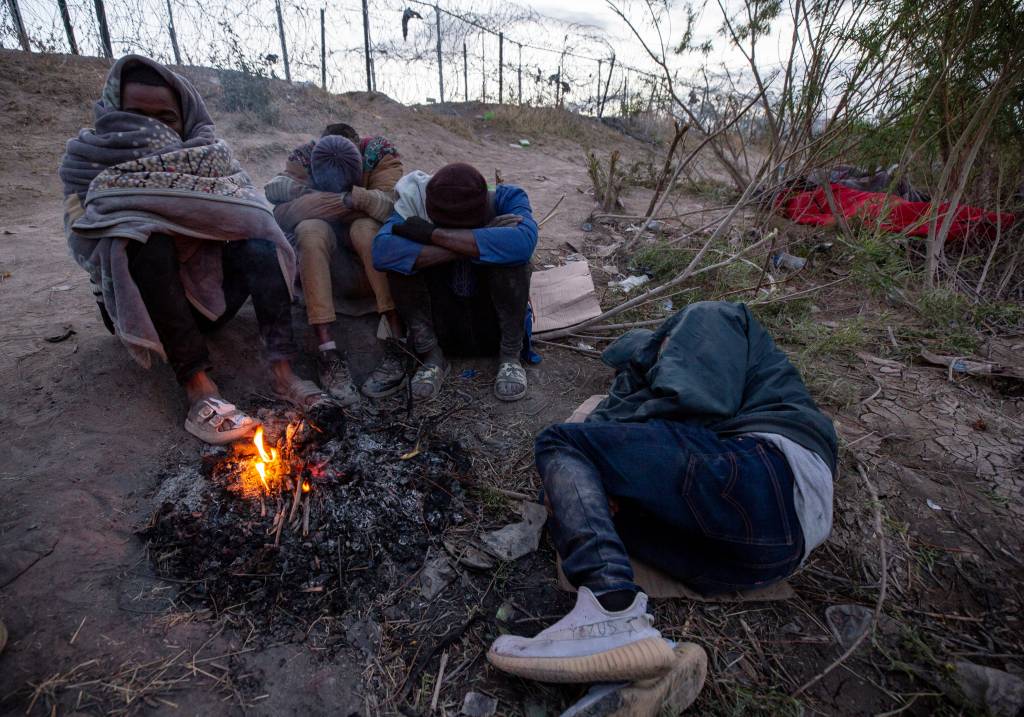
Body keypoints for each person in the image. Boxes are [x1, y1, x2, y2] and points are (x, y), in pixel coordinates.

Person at [487, 301, 837, 683]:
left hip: (770, 478)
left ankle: (611, 604)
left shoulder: (716, 318)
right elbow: (582, 477)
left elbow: (696, 404)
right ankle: (644, 676)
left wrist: (610, 462)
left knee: (559, 442)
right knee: (577, 502)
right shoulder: (642, 384)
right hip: (752, 560)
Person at [59, 55, 327, 445]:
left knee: (260, 238)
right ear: (113, 113)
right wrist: (157, 221)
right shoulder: (86, 161)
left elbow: (250, 210)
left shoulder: (211, 158)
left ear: (186, 118)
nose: (150, 130)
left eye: (165, 119)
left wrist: (199, 227)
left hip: (211, 298)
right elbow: (84, 241)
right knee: (142, 239)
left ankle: (283, 374)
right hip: (139, 304)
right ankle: (200, 390)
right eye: (136, 115)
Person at [372, 163, 537, 402]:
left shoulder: (508, 197)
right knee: (400, 266)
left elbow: (523, 243)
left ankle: (510, 357)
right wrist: (477, 244)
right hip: (442, 321)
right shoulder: (414, 199)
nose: (455, 233)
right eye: (446, 227)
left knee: (514, 263)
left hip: (491, 323)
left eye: (463, 228)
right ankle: (431, 358)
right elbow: (383, 252)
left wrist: (432, 235)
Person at [266, 123, 405, 403]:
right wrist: (338, 202)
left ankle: (399, 342)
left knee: (365, 229)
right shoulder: (307, 156)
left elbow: (392, 204)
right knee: (310, 230)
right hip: (327, 276)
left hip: (366, 273)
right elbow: (277, 201)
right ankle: (327, 351)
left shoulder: (379, 153)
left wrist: (356, 199)